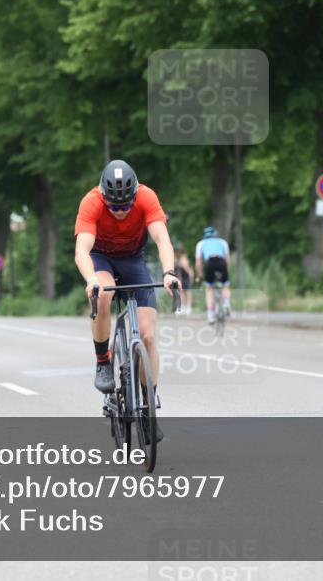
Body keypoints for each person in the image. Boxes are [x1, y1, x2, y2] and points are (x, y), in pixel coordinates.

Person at [74, 160, 179, 435]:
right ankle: (102, 362)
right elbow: (82, 250)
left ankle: (148, 407)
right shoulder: (91, 202)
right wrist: (91, 279)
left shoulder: (147, 197)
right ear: (104, 197)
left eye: (125, 206)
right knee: (104, 295)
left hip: (133, 260)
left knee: (149, 337)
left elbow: (162, 239)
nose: (120, 212)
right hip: (101, 259)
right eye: (114, 207)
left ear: (134, 196)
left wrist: (168, 272)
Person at [195, 226, 231, 324]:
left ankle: (210, 316)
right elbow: (227, 260)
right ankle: (226, 304)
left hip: (209, 263)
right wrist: (227, 272)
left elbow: (198, 262)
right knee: (225, 284)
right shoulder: (222, 242)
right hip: (221, 262)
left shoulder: (201, 244)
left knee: (209, 289)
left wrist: (199, 276)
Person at [174, 244, 194, 314]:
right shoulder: (176, 258)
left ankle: (187, 307)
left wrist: (191, 275)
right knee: (181, 293)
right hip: (180, 277)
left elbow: (187, 269)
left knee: (187, 292)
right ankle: (182, 307)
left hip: (185, 277)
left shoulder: (183, 258)